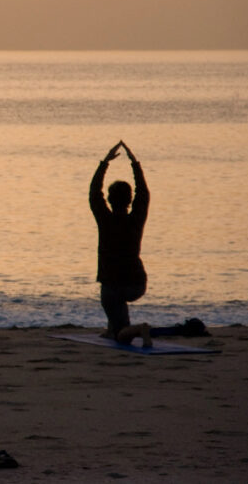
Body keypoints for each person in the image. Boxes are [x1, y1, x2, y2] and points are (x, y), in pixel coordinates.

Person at [90, 141, 152, 348]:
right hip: (137, 284)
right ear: (129, 200)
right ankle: (112, 328)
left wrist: (104, 163)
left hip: (114, 285)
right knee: (117, 304)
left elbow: (94, 194)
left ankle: (134, 329)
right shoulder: (136, 219)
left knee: (121, 333)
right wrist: (135, 164)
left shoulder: (105, 220)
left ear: (110, 199)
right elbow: (143, 194)